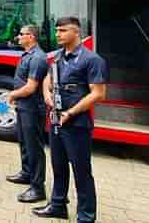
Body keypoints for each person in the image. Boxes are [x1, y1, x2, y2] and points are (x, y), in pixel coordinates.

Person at [35, 17, 107, 223]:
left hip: (77, 124)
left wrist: (71, 112)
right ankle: (58, 205)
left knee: (81, 170)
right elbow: (47, 80)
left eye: (63, 30)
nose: (57, 34)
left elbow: (98, 93)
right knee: (58, 165)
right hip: (57, 120)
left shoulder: (92, 60)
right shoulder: (57, 57)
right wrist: (47, 96)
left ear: (76, 32)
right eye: (57, 30)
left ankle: (86, 216)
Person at [5, 25, 49, 203]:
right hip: (24, 106)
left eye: (21, 35)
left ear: (31, 37)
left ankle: (38, 189)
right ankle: (27, 173)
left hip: (32, 108)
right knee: (24, 142)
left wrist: (13, 94)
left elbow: (31, 87)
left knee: (34, 147)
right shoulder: (28, 55)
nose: (18, 37)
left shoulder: (38, 58)